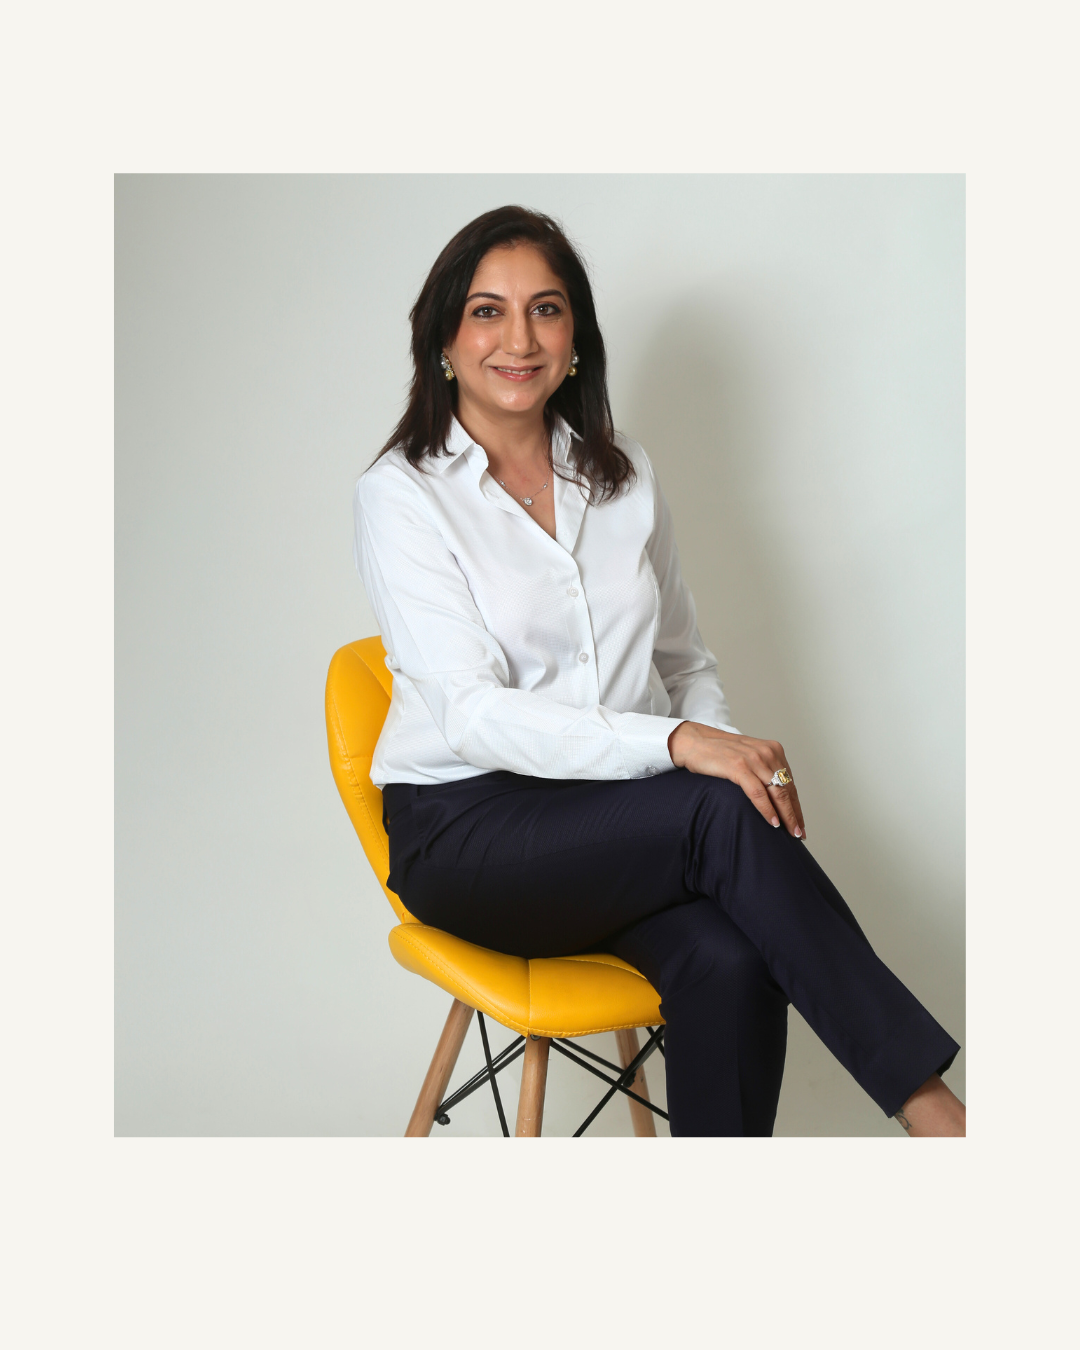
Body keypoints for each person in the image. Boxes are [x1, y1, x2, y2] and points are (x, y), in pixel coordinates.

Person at [354, 204, 965, 1137]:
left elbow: (683, 659)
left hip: (613, 826)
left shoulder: (623, 473)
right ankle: (937, 1117)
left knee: (729, 954)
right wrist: (683, 749)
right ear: (442, 336)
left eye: (546, 310)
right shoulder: (402, 494)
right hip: (470, 831)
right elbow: (473, 714)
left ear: (576, 338)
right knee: (719, 806)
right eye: (487, 311)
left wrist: (712, 742)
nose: (518, 338)